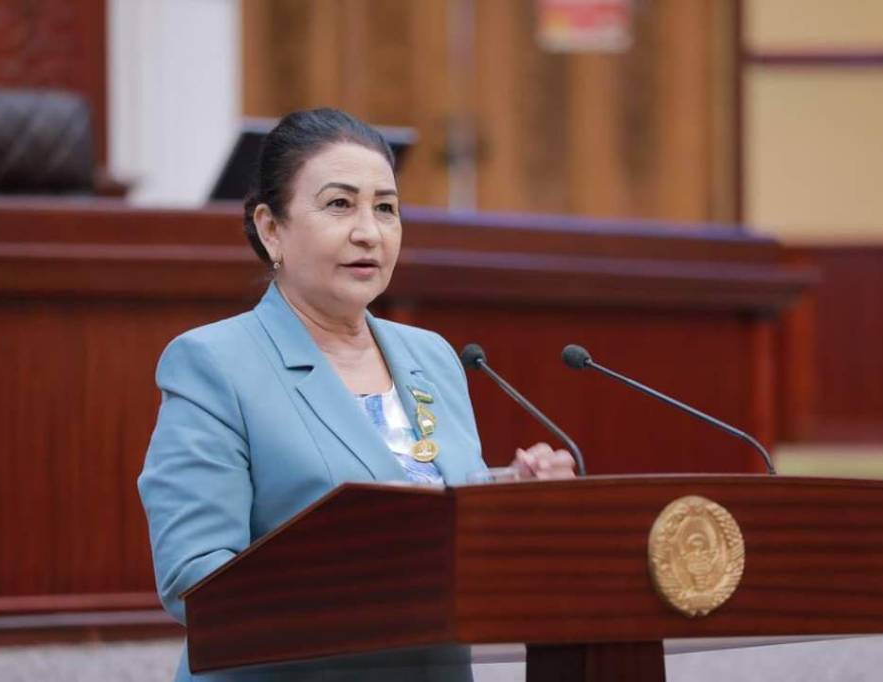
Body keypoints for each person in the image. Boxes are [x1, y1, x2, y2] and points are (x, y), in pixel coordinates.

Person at [138, 108, 576, 681]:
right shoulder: (214, 364)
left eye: (386, 208)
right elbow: (194, 578)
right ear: (271, 229)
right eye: (340, 204)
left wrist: (513, 496)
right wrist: (363, 585)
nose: (369, 231)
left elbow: (435, 505)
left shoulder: (432, 357)